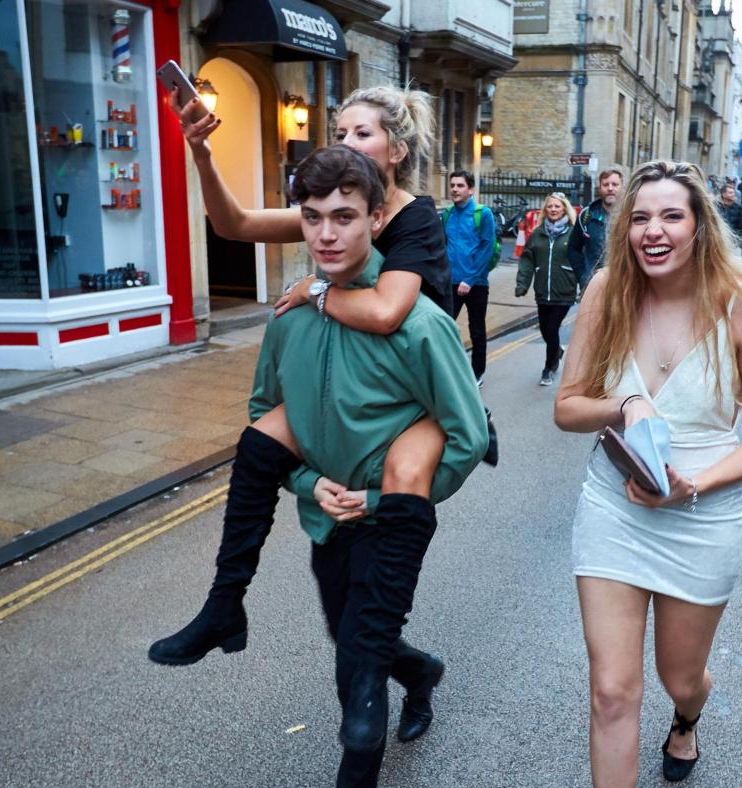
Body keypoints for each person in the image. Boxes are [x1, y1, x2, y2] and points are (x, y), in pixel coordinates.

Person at [149, 85, 494, 674]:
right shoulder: (333, 200)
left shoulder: (413, 218)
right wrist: (201, 152)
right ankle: (224, 603)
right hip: (342, 381)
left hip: (412, 397)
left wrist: (315, 290)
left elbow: (387, 312)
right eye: (340, 133)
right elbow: (232, 224)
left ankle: (383, 682)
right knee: (259, 443)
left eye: (363, 133)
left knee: (379, 563)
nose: (348, 143)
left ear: (398, 149)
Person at [554, 160, 742, 788]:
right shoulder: (606, 296)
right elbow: (566, 408)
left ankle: (687, 718)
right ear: (623, 227)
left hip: (702, 510)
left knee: (674, 677)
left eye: (670, 217)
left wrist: (694, 483)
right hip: (613, 507)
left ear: (699, 226)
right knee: (613, 689)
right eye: (638, 218)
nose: (652, 231)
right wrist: (621, 404)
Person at [244, 145, 486, 788]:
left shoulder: (416, 323)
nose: (323, 233)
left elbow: (467, 433)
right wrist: (312, 484)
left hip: (391, 524)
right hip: (327, 523)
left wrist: (384, 500)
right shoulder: (289, 318)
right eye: (311, 217)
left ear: (377, 218)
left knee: (354, 672)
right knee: (353, 638)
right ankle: (421, 669)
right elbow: (263, 417)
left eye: (343, 216)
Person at [515, 192, 579, 386]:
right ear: (545, 210)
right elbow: (527, 259)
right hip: (543, 291)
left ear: (564, 209)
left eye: (557, 206)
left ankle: (549, 368)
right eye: (550, 206)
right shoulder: (537, 233)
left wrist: (584, 283)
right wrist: (522, 284)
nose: (553, 209)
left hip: (564, 290)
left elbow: (581, 259)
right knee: (545, 329)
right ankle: (557, 351)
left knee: (552, 328)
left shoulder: (573, 233)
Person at [444, 169, 498, 386]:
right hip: (450, 281)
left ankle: (477, 374)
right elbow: (442, 246)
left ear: (471, 189)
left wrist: (470, 278)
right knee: (444, 327)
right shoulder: (447, 214)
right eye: (453, 185)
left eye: (460, 186)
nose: (455, 189)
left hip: (475, 283)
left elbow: (487, 247)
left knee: (476, 330)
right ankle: (450, 368)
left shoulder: (482, 214)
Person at [568, 168, 624, 290]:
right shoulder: (586, 216)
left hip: (624, 285)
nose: (610, 188)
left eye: (614, 184)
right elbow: (573, 248)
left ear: (622, 187)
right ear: (600, 188)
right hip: (592, 286)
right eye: (605, 184)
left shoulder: (632, 216)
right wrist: (583, 276)